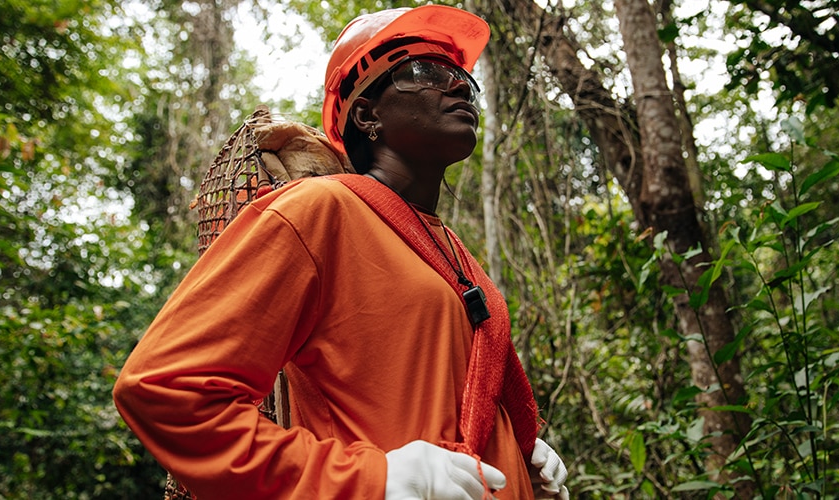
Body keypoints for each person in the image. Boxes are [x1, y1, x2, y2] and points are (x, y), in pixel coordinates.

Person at [112, 5, 569, 499]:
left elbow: (425, 395)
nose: (459, 86)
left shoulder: (453, 252)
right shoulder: (320, 210)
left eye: (462, 78)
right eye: (424, 72)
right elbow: (167, 387)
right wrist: (373, 480)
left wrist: (517, 453)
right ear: (368, 113)